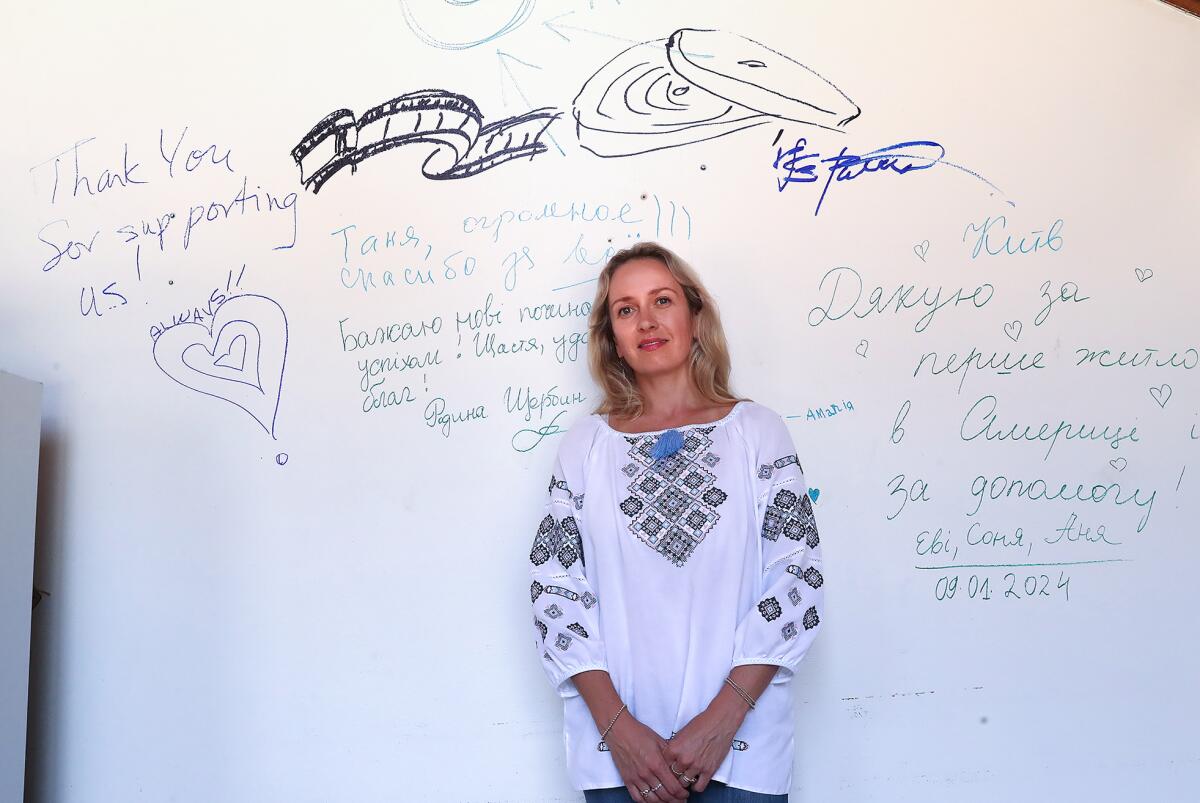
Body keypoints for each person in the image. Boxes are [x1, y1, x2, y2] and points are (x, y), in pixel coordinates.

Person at [527, 242, 825, 802]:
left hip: (742, 751)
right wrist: (620, 731)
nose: (646, 321)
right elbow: (555, 594)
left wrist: (721, 722)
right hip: (619, 761)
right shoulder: (585, 447)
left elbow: (796, 582)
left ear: (694, 314)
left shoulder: (756, 433)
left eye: (662, 300)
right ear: (611, 337)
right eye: (625, 309)